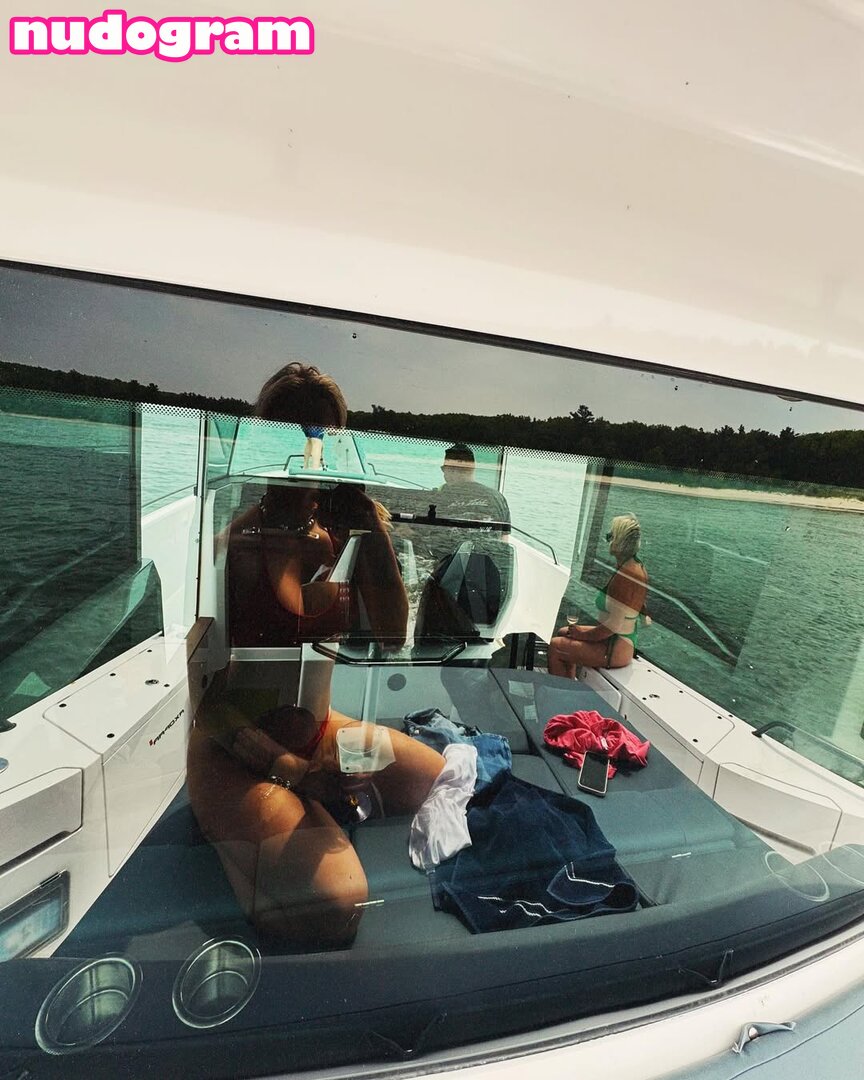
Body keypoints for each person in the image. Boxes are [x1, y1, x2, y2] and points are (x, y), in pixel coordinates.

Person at [186, 362, 445, 951]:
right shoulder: (234, 546)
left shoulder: (344, 536)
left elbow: (392, 636)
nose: (310, 445)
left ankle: (301, 815)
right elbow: (208, 706)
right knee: (337, 905)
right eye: (293, 430)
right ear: (263, 440)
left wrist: (371, 528)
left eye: (324, 432)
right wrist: (294, 772)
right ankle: (232, 841)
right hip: (235, 751)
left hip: (319, 730)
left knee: (436, 780)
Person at [547, 514, 649, 677]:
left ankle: (561, 691)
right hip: (618, 639)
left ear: (619, 541)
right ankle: (569, 686)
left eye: (610, 536)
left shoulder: (627, 575)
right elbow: (637, 604)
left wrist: (582, 635)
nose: (608, 540)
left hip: (615, 646)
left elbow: (613, 626)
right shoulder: (635, 567)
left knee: (556, 646)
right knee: (564, 631)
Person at [432, 443, 510, 524]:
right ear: (472, 468)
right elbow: (505, 531)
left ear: (452, 470)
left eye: (444, 469)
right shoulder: (497, 498)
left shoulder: (441, 497)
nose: (444, 474)